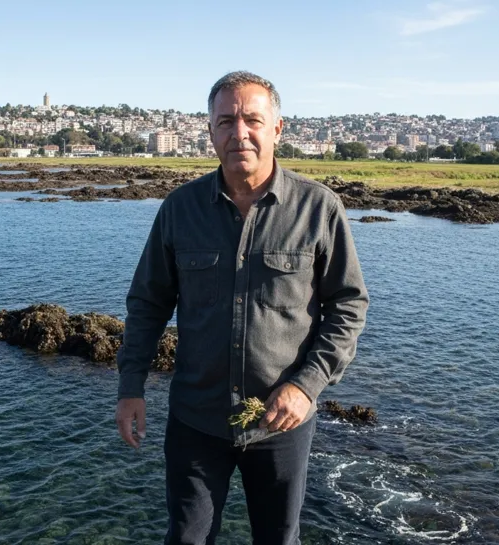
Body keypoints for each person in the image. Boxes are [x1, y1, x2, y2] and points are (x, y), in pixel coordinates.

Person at [115, 71, 369, 544]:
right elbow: (148, 304)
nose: (239, 133)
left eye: (253, 119)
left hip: (281, 422)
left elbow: (348, 306)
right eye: (226, 121)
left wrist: (307, 386)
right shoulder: (180, 209)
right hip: (196, 419)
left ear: (277, 128)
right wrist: (131, 387)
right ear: (210, 132)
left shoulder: (319, 209)